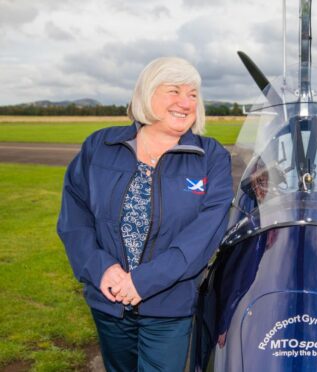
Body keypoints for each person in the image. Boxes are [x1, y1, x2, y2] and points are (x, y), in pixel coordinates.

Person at [57, 56, 233, 371]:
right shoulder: (100, 146)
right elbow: (75, 217)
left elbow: (205, 233)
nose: (186, 102)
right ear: (146, 94)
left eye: (193, 94)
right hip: (109, 300)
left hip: (170, 307)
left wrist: (143, 282)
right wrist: (101, 269)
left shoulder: (212, 157)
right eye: (175, 91)